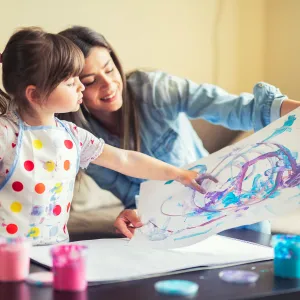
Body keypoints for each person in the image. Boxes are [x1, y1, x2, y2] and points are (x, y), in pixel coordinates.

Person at [58, 26, 300, 238]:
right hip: (166, 222)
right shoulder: (83, 141)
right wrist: (137, 213)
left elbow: (240, 109)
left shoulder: (155, 89)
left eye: (109, 70)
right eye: (90, 81)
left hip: (223, 202)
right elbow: (133, 194)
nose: (108, 85)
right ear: (72, 87)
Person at [0, 27, 210, 246]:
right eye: (71, 83)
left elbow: (125, 159)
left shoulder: (73, 136)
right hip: (7, 253)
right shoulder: (5, 134)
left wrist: (178, 173)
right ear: (34, 94)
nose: (80, 86)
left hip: (56, 248)